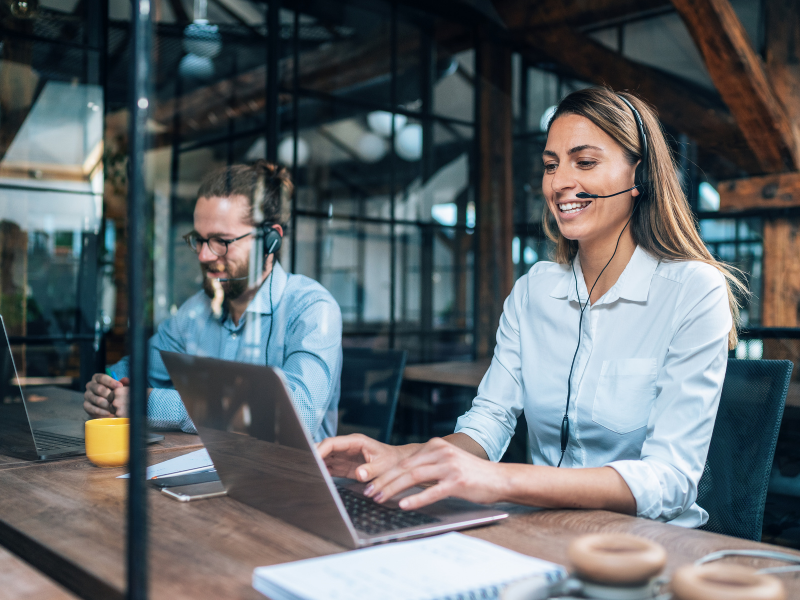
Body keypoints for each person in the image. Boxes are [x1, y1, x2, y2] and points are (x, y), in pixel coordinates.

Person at [319, 87, 746, 526]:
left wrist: (500, 481)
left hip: (644, 546)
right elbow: (489, 421)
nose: (560, 182)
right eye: (550, 165)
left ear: (640, 177)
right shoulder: (533, 291)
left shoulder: (693, 290)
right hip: (543, 528)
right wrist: (403, 459)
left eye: (585, 162)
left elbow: (670, 480)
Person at [84, 161, 342, 442]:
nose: (204, 255)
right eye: (199, 239)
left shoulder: (311, 309)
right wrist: (106, 388)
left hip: (290, 480)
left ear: (270, 241)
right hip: (205, 472)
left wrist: (153, 404)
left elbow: (297, 416)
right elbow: (134, 372)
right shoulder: (195, 311)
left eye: (222, 241)